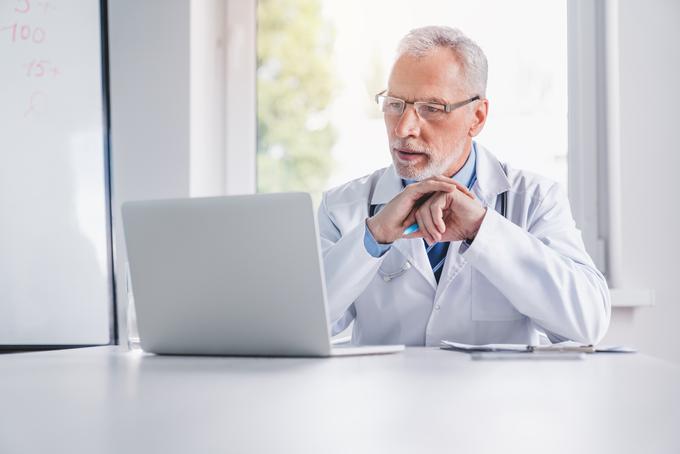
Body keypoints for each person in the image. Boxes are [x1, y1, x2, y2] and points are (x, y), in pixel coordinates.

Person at [318, 25, 611, 346]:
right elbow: (307, 323)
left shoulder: (535, 200)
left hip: (495, 396)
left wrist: (484, 230)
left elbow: (588, 323)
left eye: (431, 108)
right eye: (394, 104)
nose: (403, 128)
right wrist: (373, 238)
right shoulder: (343, 206)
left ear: (478, 117)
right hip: (382, 395)